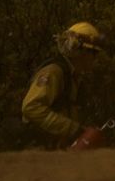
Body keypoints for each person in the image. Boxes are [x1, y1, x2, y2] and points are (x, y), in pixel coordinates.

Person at [21, 21, 107, 150]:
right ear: (79, 51)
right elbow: (31, 108)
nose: (95, 58)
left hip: (57, 149)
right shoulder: (54, 72)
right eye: (93, 52)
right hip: (37, 150)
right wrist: (74, 130)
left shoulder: (75, 78)